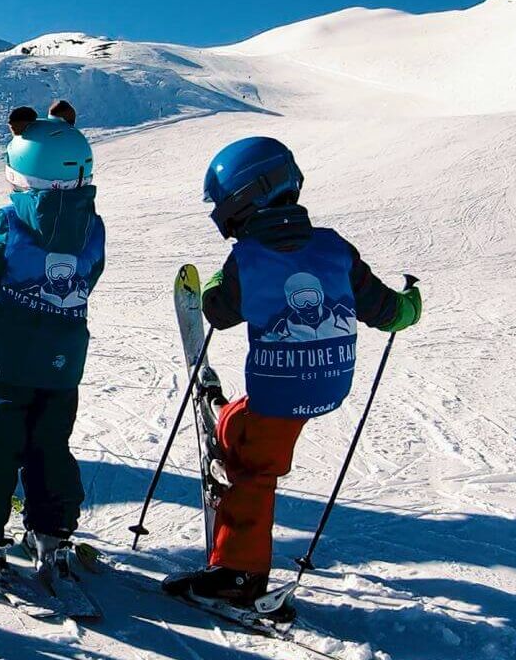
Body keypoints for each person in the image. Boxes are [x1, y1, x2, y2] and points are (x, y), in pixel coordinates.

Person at [164, 136, 422, 608]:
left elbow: (218, 312)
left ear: (244, 199)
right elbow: (386, 310)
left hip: (280, 392)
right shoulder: (334, 247)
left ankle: (239, 576)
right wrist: (409, 306)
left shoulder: (248, 257)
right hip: (328, 386)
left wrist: (222, 279)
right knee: (252, 430)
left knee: (252, 467)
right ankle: (227, 418)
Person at [0, 101, 104, 587]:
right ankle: (51, 531)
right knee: (51, 441)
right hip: (64, 358)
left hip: (7, 356)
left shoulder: (8, 220)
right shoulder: (93, 224)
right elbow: (89, 273)